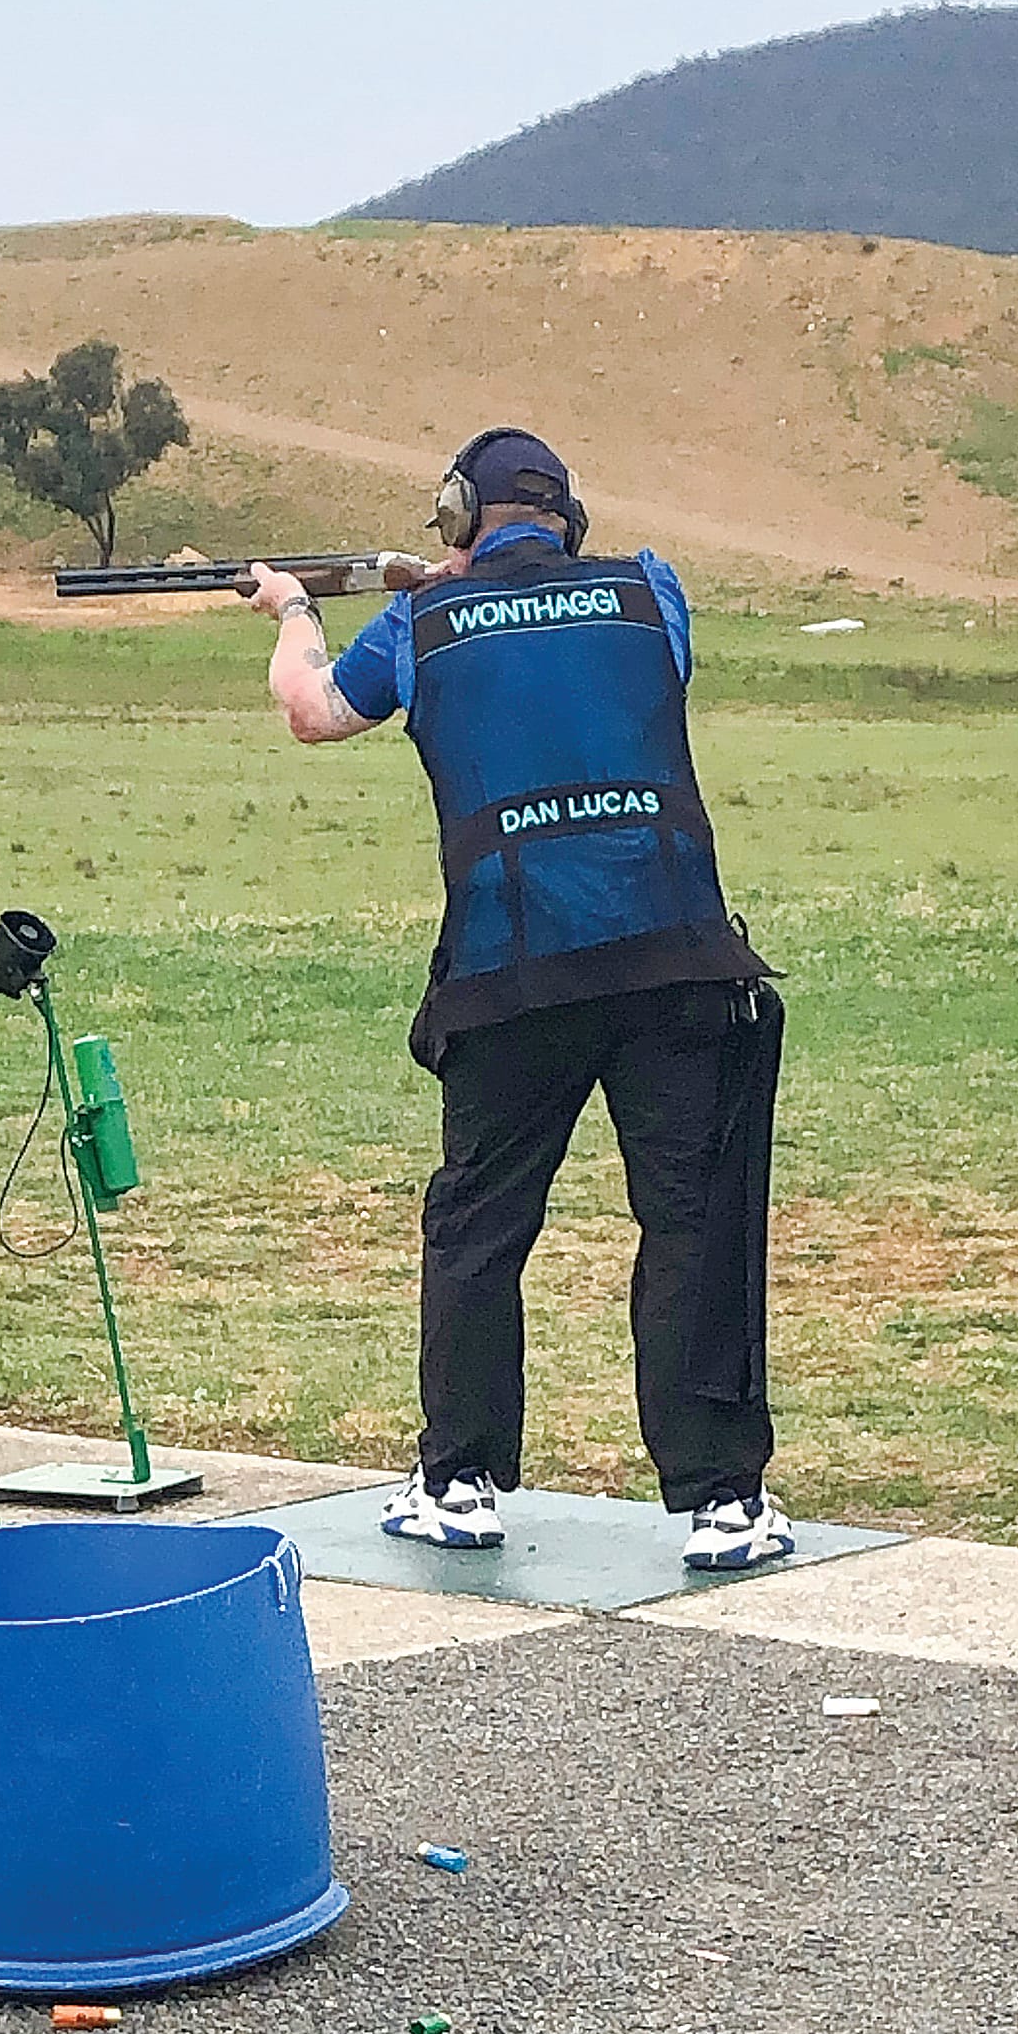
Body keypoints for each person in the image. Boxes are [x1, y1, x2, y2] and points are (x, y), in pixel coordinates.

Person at [248, 426, 791, 1572]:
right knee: (691, 1225)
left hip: (509, 967)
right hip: (672, 956)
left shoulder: (418, 624)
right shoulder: (651, 592)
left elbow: (311, 710)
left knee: (478, 1228)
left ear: (453, 516)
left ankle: (459, 1479)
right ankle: (720, 1501)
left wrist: (298, 609)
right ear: (569, 515)